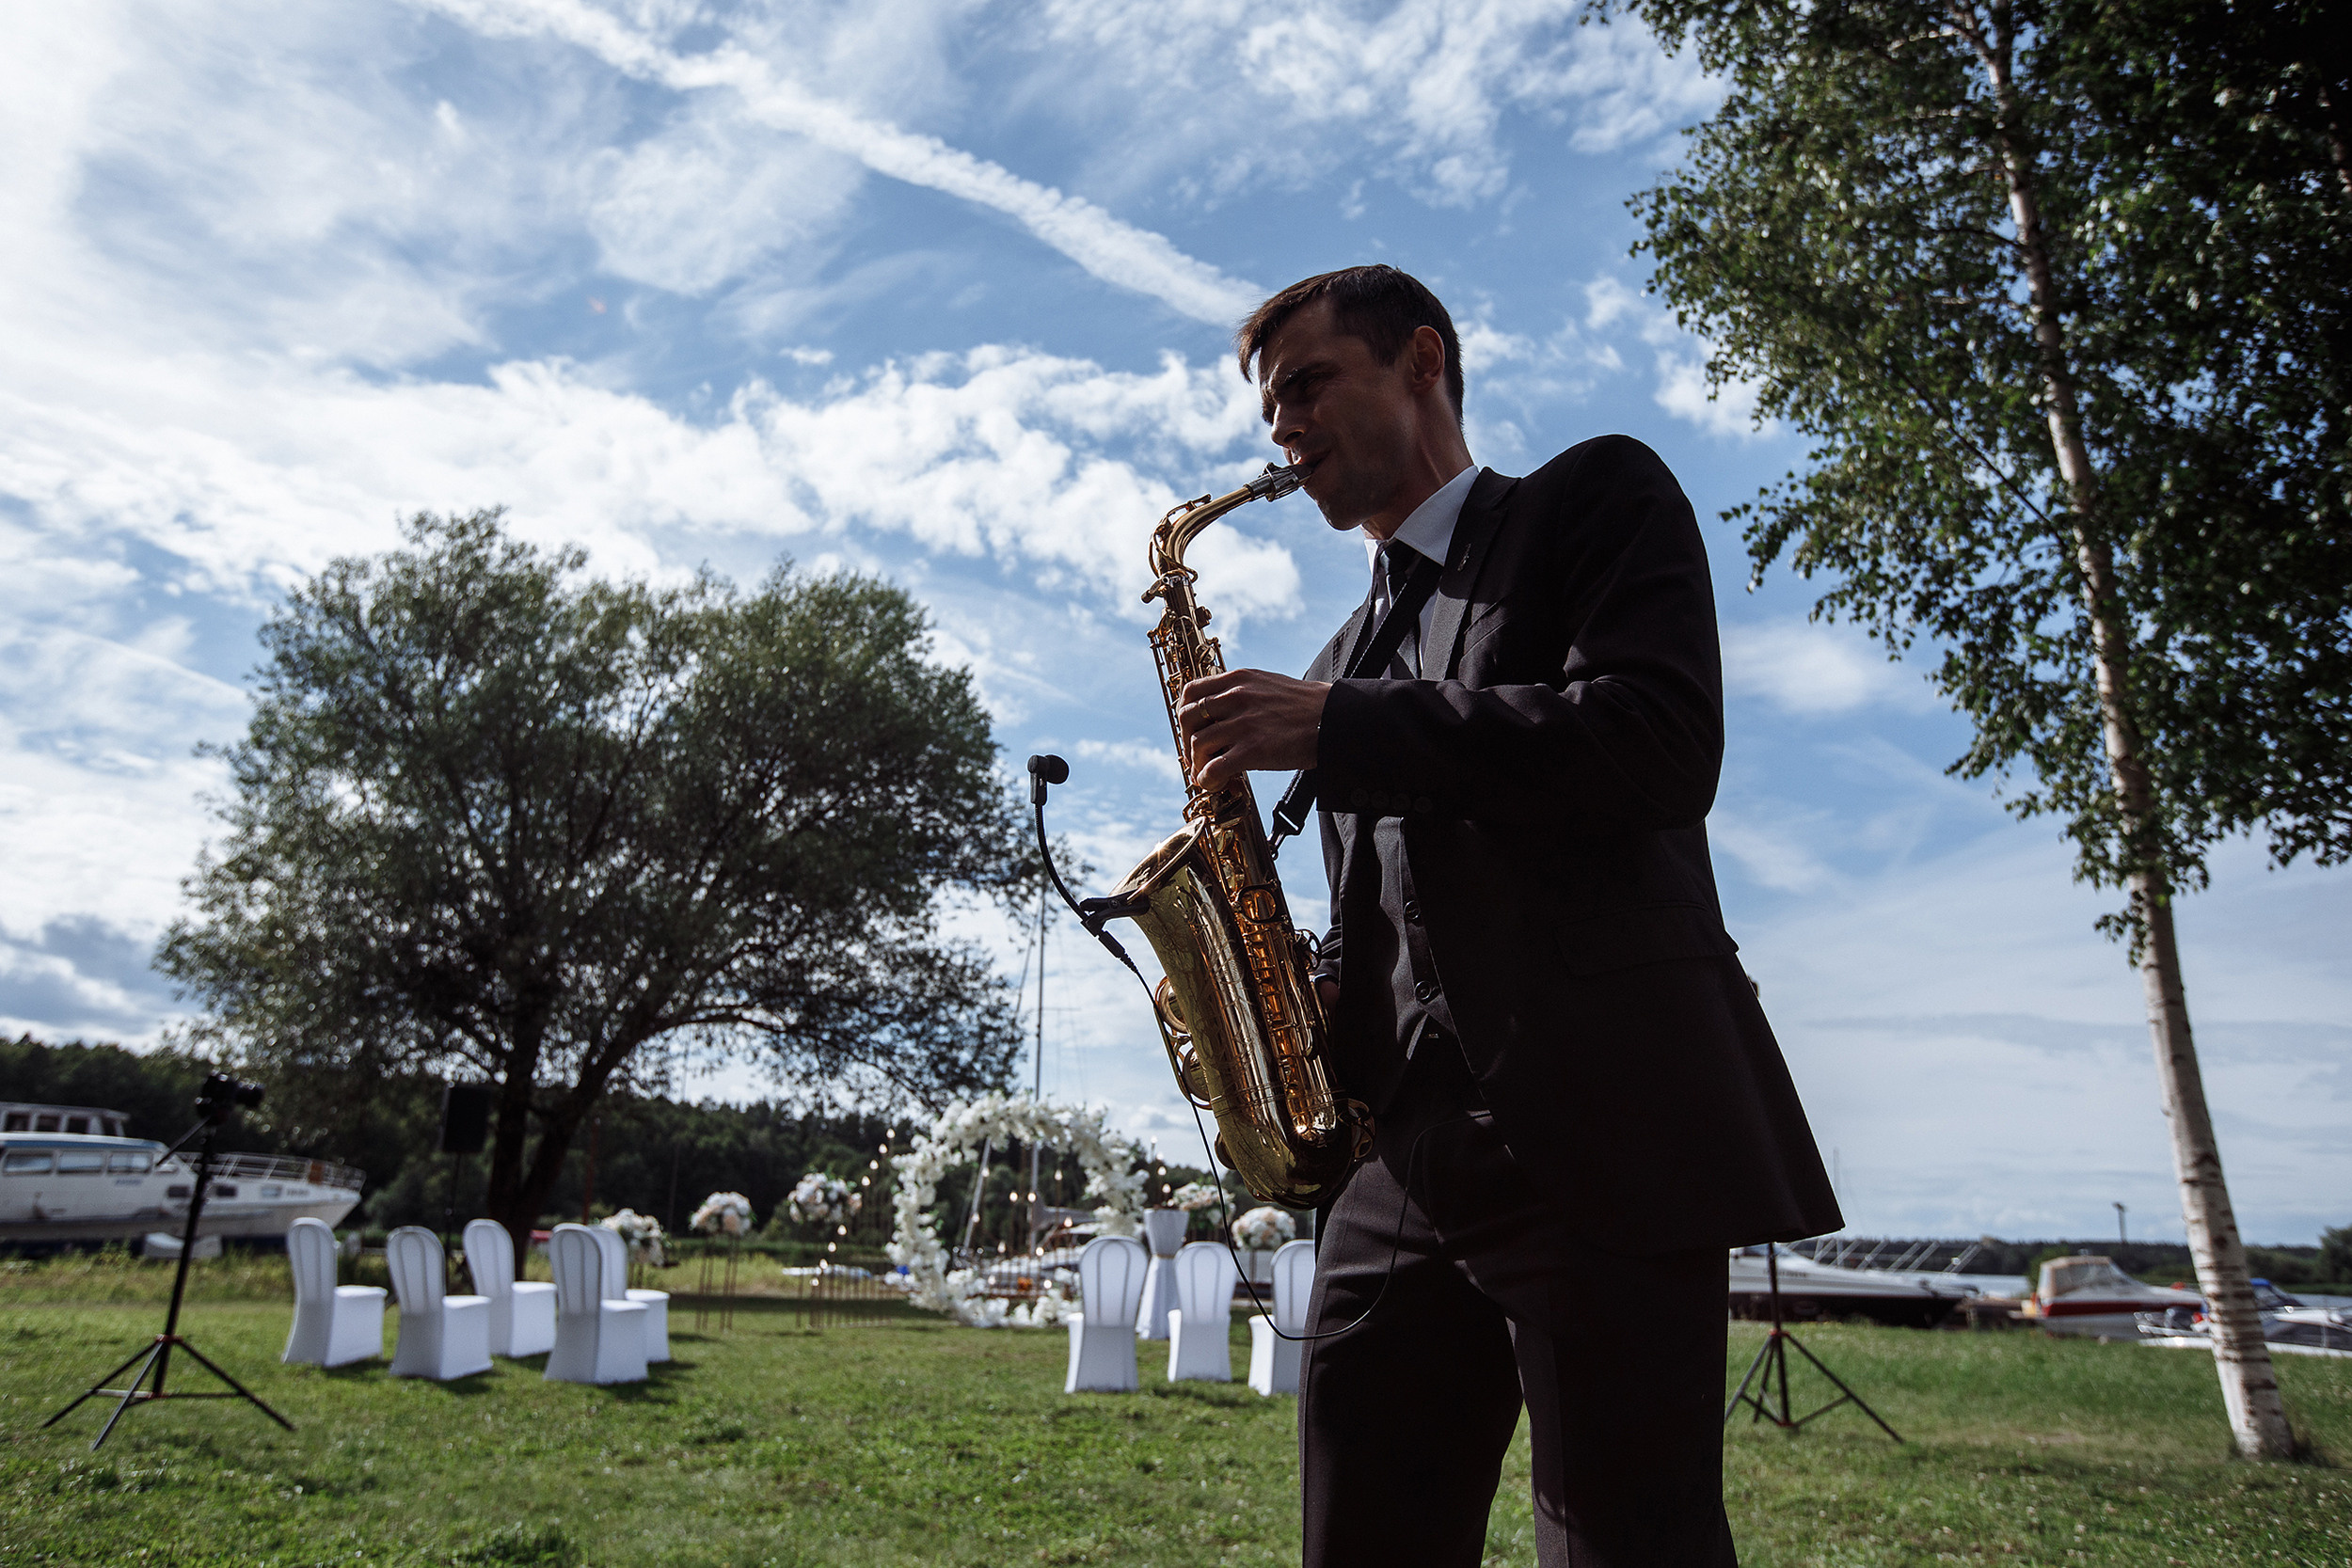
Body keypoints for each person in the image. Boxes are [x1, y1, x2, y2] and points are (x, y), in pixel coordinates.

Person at [1175, 265, 1842, 1568]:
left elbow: (1653, 745)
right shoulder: (1338, 658)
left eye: (1309, 385)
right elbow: (1400, 906)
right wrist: (1298, 992)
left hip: (1601, 1127)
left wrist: (1341, 727)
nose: (1284, 433)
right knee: (1361, 1538)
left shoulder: (1593, 501)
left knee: (1625, 1541)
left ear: (1422, 361)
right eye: (1270, 413)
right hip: (1399, 1161)